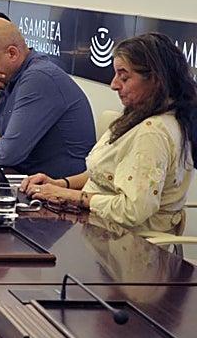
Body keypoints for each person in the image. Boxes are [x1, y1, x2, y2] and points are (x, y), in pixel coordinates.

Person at [20, 33, 197, 237]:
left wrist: (69, 196)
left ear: (155, 80)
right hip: (97, 226)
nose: (114, 84)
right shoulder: (139, 116)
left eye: (124, 76)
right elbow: (107, 174)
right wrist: (60, 184)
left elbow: (133, 210)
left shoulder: (152, 133)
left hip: (125, 244)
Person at [0, 17, 95, 178]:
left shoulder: (39, 78)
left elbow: (7, 155)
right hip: (27, 181)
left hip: (59, 191)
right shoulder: (1, 78)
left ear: (12, 53)